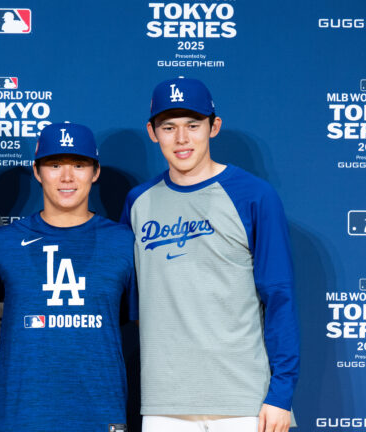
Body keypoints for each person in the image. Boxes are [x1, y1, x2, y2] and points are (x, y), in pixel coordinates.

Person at [121, 77, 300, 432]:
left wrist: (281, 394)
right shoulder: (138, 203)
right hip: (164, 402)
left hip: (243, 400)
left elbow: (279, 298)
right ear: (152, 132)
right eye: (168, 127)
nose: (182, 138)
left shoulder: (255, 196)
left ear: (213, 126)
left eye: (193, 125)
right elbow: (135, 305)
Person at [0, 122, 136, 432]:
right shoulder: (3, 242)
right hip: (25, 416)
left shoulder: (123, 241)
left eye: (79, 165)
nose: (67, 177)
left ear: (95, 172)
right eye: (55, 165)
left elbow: (134, 320)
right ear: (37, 172)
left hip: (100, 413)